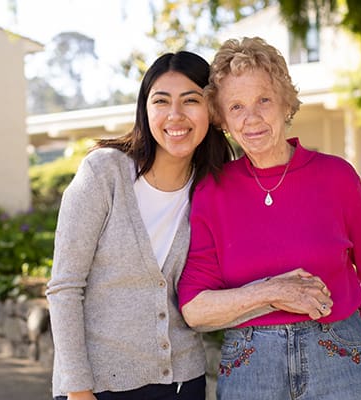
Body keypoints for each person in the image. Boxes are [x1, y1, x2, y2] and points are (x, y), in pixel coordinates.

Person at [177, 37, 361, 400]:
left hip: (341, 356)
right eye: (236, 106)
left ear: (285, 102)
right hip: (251, 365)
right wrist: (271, 291)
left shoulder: (336, 177)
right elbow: (194, 307)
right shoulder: (212, 191)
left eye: (263, 100)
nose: (252, 118)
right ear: (222, 119)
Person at [46, 51, 234, 400]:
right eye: (161, 101)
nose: (175, 115)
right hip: (100, 386)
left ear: (210, 109)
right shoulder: (105, 173)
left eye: (190, 100)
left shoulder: (212, 189)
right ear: (145, 111)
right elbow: (65, 287)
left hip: (183, 382)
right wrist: (77, 389)